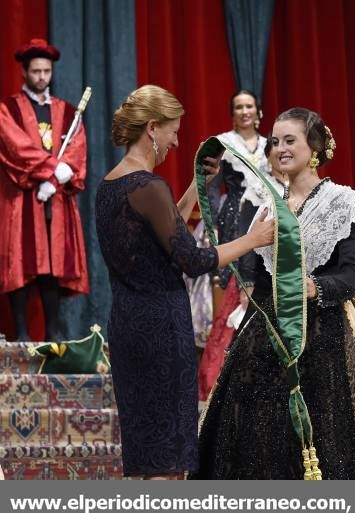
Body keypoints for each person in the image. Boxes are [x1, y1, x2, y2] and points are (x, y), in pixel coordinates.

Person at [194, 107, 355, 480]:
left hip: (327, 330)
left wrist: (313, 287)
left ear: (313, 146)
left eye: (290, 140)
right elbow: (262, 277)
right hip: (270, 328)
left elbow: (353, 274)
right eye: (276, 141)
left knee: (327, 430)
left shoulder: (342, 200)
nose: (281, 148)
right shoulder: (269, 205)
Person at [95, 85, 275, 478]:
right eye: (174, 131)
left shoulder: (111, 184)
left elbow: (163, 234)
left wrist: (197, 187)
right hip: (160, 326)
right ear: (153, 128)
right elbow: (193, 260)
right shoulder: (148, 186)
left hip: (128, 325)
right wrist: (253, 239)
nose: (177, 141)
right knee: (167, 460)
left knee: (147, 454)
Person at [197, 89, 285, 401]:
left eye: (249, 106)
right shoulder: (223, 142)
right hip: (235, 214)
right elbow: (207, 182)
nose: (245, 111)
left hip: (267, 211)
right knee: (231, 279)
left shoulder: (271, 143)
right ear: (233, 112)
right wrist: (212, 226)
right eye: (239, 107)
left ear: (258, 112)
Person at [0, 38, 89, 341]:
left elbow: (76, 151)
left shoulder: (67, 112)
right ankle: (22, 334)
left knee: (52, 263)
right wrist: (54, 170)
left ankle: (53, 333)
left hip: (57, 201)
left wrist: (59, 179)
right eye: (35, 71)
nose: (41, 77)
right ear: (24, 72)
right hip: (22, 198)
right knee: (22, 262)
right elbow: (16, 148)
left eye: (46, 72)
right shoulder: (8, 109)